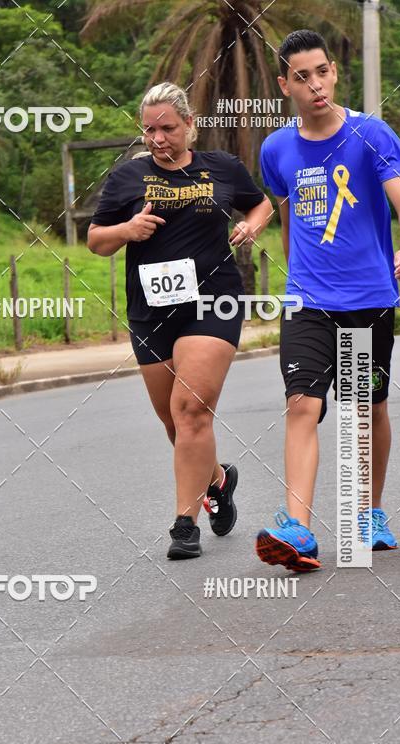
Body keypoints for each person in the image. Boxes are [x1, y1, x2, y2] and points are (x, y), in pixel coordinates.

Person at [256, 30, 400, 572]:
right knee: (302, 403)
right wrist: (293, 278)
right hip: (308, 300)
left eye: (322, 71)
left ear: (333, 72)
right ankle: (298, 529)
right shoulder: (277, 148)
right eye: (302, 76)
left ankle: (368, 513)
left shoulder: (370, 134)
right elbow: (286, 216)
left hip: (369, 298)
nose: (316, 84)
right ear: (285, 85)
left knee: (364, 407)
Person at [88, 82, 273, 559]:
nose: (158, 138)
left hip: (213, 300)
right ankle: (218, 479)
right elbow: (96, 240)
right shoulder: (128, 178)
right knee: (175, 423)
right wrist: (127, 230)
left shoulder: (222, 168)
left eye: (168, 128)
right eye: (149, 129)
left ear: (190, 125)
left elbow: (260, 202)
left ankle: (184, 525)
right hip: (151, 309)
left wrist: (252, 224)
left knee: (191, 411)